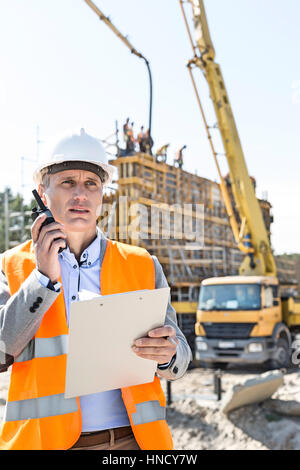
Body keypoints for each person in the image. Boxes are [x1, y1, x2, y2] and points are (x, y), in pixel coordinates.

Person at [0, 128, 192, 451]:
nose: (81, 195)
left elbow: (182, 359)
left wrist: (168, 354)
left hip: (135, 444)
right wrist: (43, 280)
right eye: (67, 182)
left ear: (102, 194)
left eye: (91, 184)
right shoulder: (11, 267)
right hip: (47, 444)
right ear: (42, 194)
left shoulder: (142, 265)